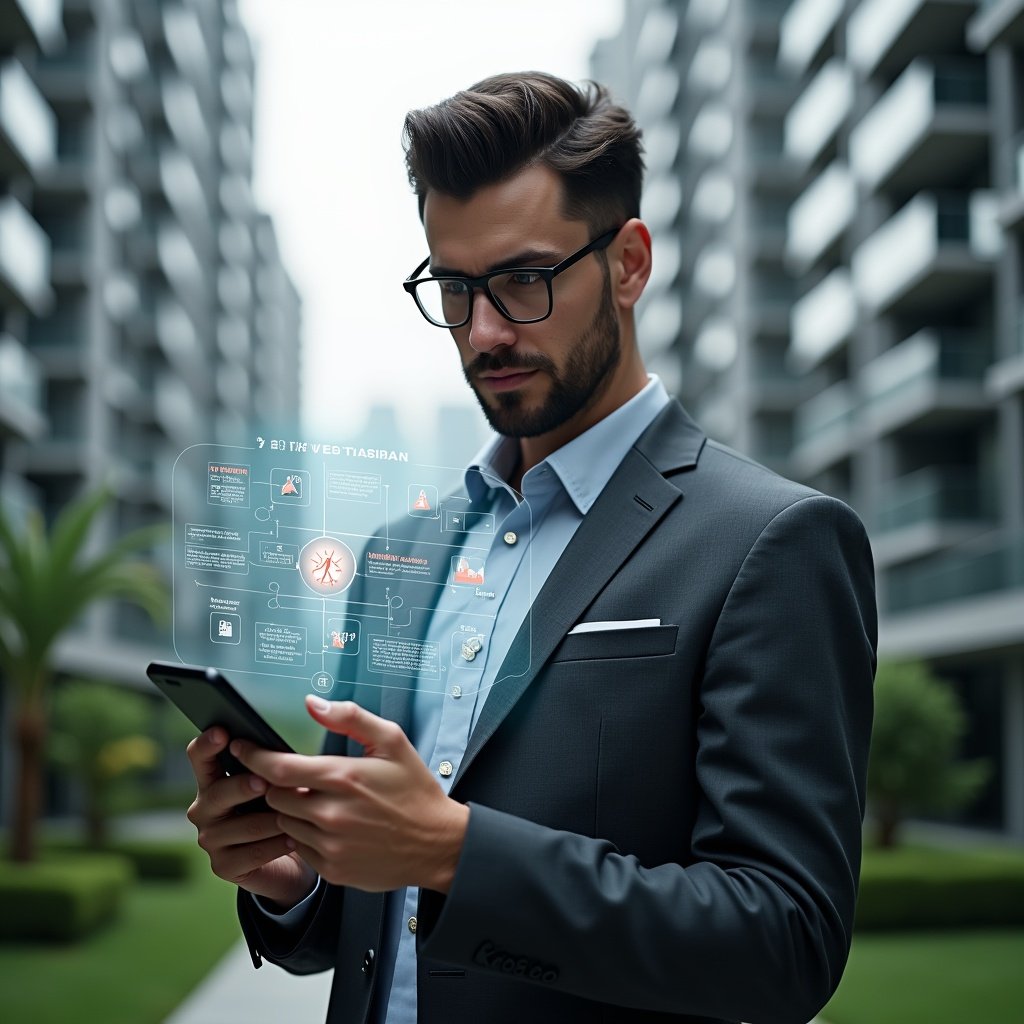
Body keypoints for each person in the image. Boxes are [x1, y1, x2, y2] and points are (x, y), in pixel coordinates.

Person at [185, 72, 876, 1024]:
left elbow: (786, 941)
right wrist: (292, 879)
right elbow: (367, 925)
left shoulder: (773, 541)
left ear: (629, 263)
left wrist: (454, 853)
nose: (484, 332)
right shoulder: (395, 557)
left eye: (524, 281)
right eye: (455, 288)